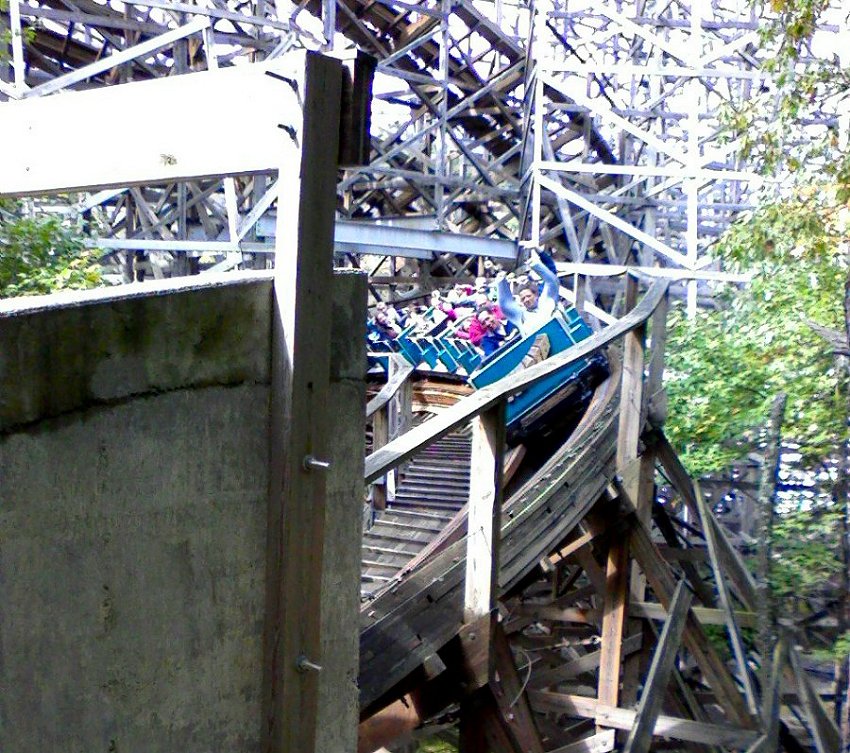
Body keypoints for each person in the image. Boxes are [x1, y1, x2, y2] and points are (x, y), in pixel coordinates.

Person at [497, 249, 560, 336]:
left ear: (536, 295)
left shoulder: (546, 302)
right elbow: (505, 304)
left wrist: (536, 265)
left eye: (528, 296)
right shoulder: (521, 315)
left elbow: (552, 281)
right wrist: (501, 282)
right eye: (523, 298)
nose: (526, 300)